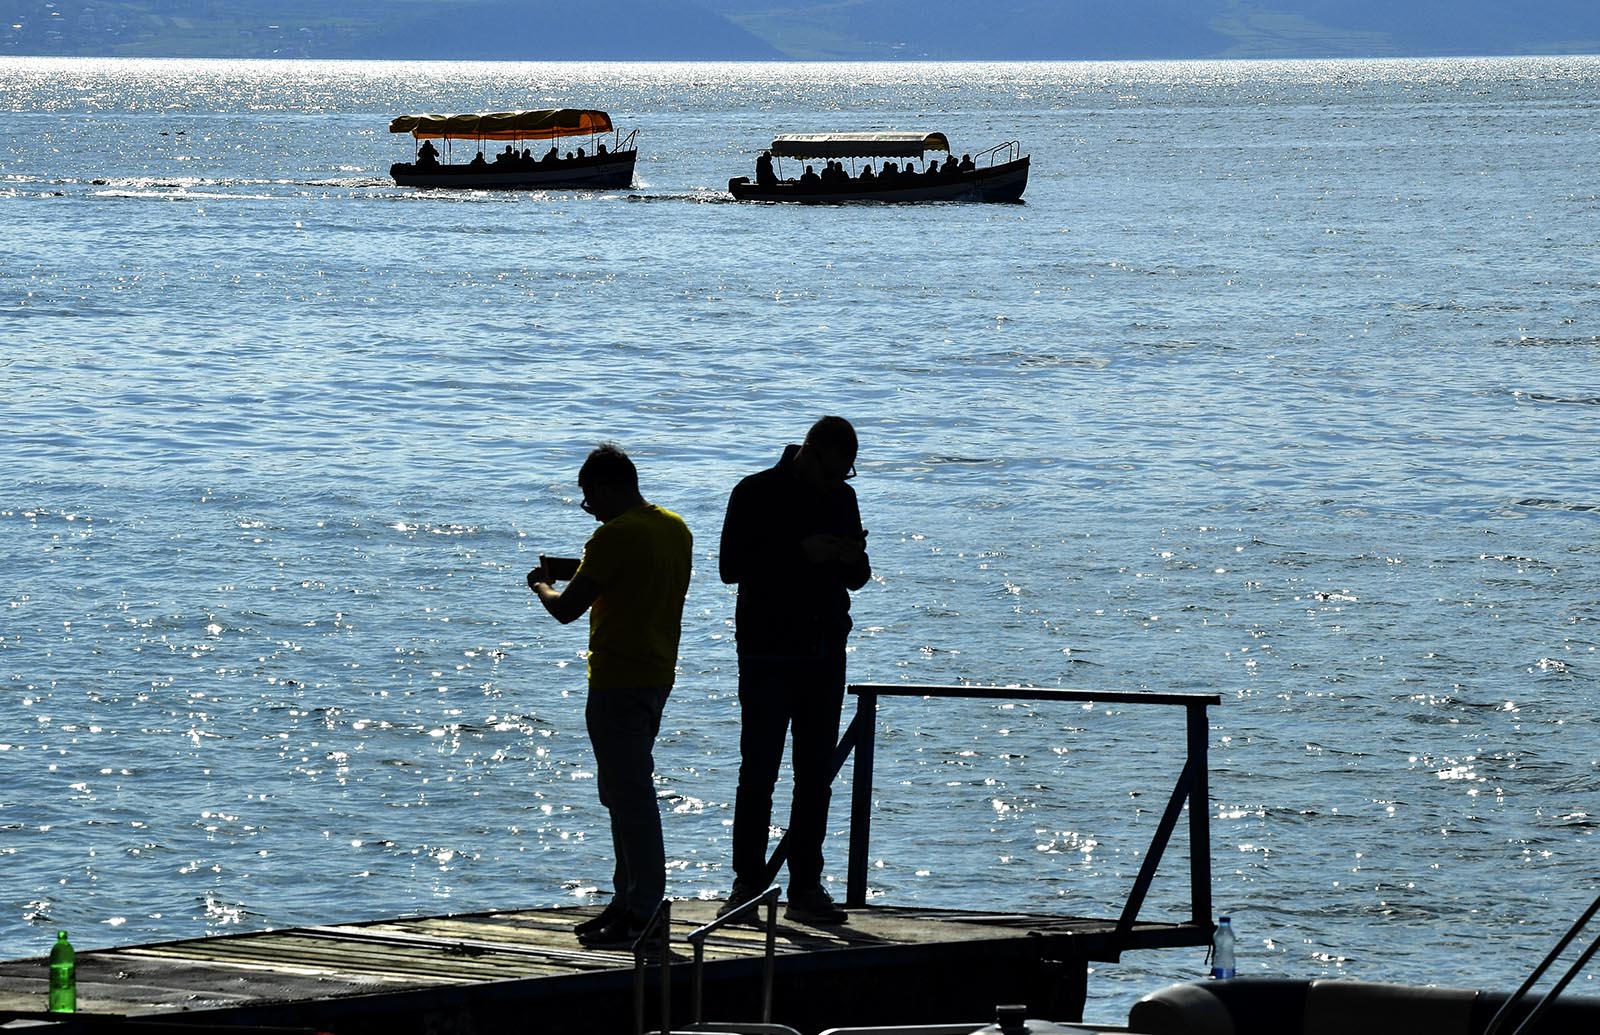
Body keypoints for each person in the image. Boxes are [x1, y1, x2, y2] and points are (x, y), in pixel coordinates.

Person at [527, 444, 693, 947]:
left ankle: (643, 911)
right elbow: (629, 576)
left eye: (588, 498)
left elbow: (566, 610)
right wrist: (580, 564)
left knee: (631, 799)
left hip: (616, 680)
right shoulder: (673, 528)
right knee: (623, 794)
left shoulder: (611, 536)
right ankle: (625, 902)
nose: (589, 508)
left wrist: (540, 585)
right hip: (657, 675)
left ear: (605, 487)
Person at [718, 417, 870, 925]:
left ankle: (806, 885)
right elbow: (729, 567)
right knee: (757, 772)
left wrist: (850, 557)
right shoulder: (755, 492)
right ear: (809, 452)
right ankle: (748, 882)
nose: (838, 482)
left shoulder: (841, 498)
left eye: (845, 475)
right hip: (766, 652)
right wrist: (800, 553)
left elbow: (860, 577)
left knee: (814, 778)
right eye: (833, 471)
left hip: (824, 651)